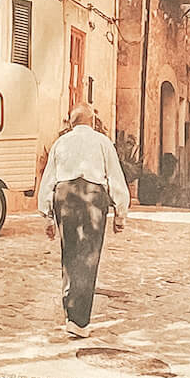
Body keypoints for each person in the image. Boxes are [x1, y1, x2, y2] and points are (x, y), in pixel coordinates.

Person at [37, 103, 131, 339]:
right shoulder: (103, 142)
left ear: (71, 122)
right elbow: (116, 178)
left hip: (65, 196)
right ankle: (80, 321)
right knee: (89, 257)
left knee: (69, 253)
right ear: (92, 121)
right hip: (92, 198)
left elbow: (49, 180)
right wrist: (121, 213)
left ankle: (71, 314)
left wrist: (47, 215)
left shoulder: (61, 143)